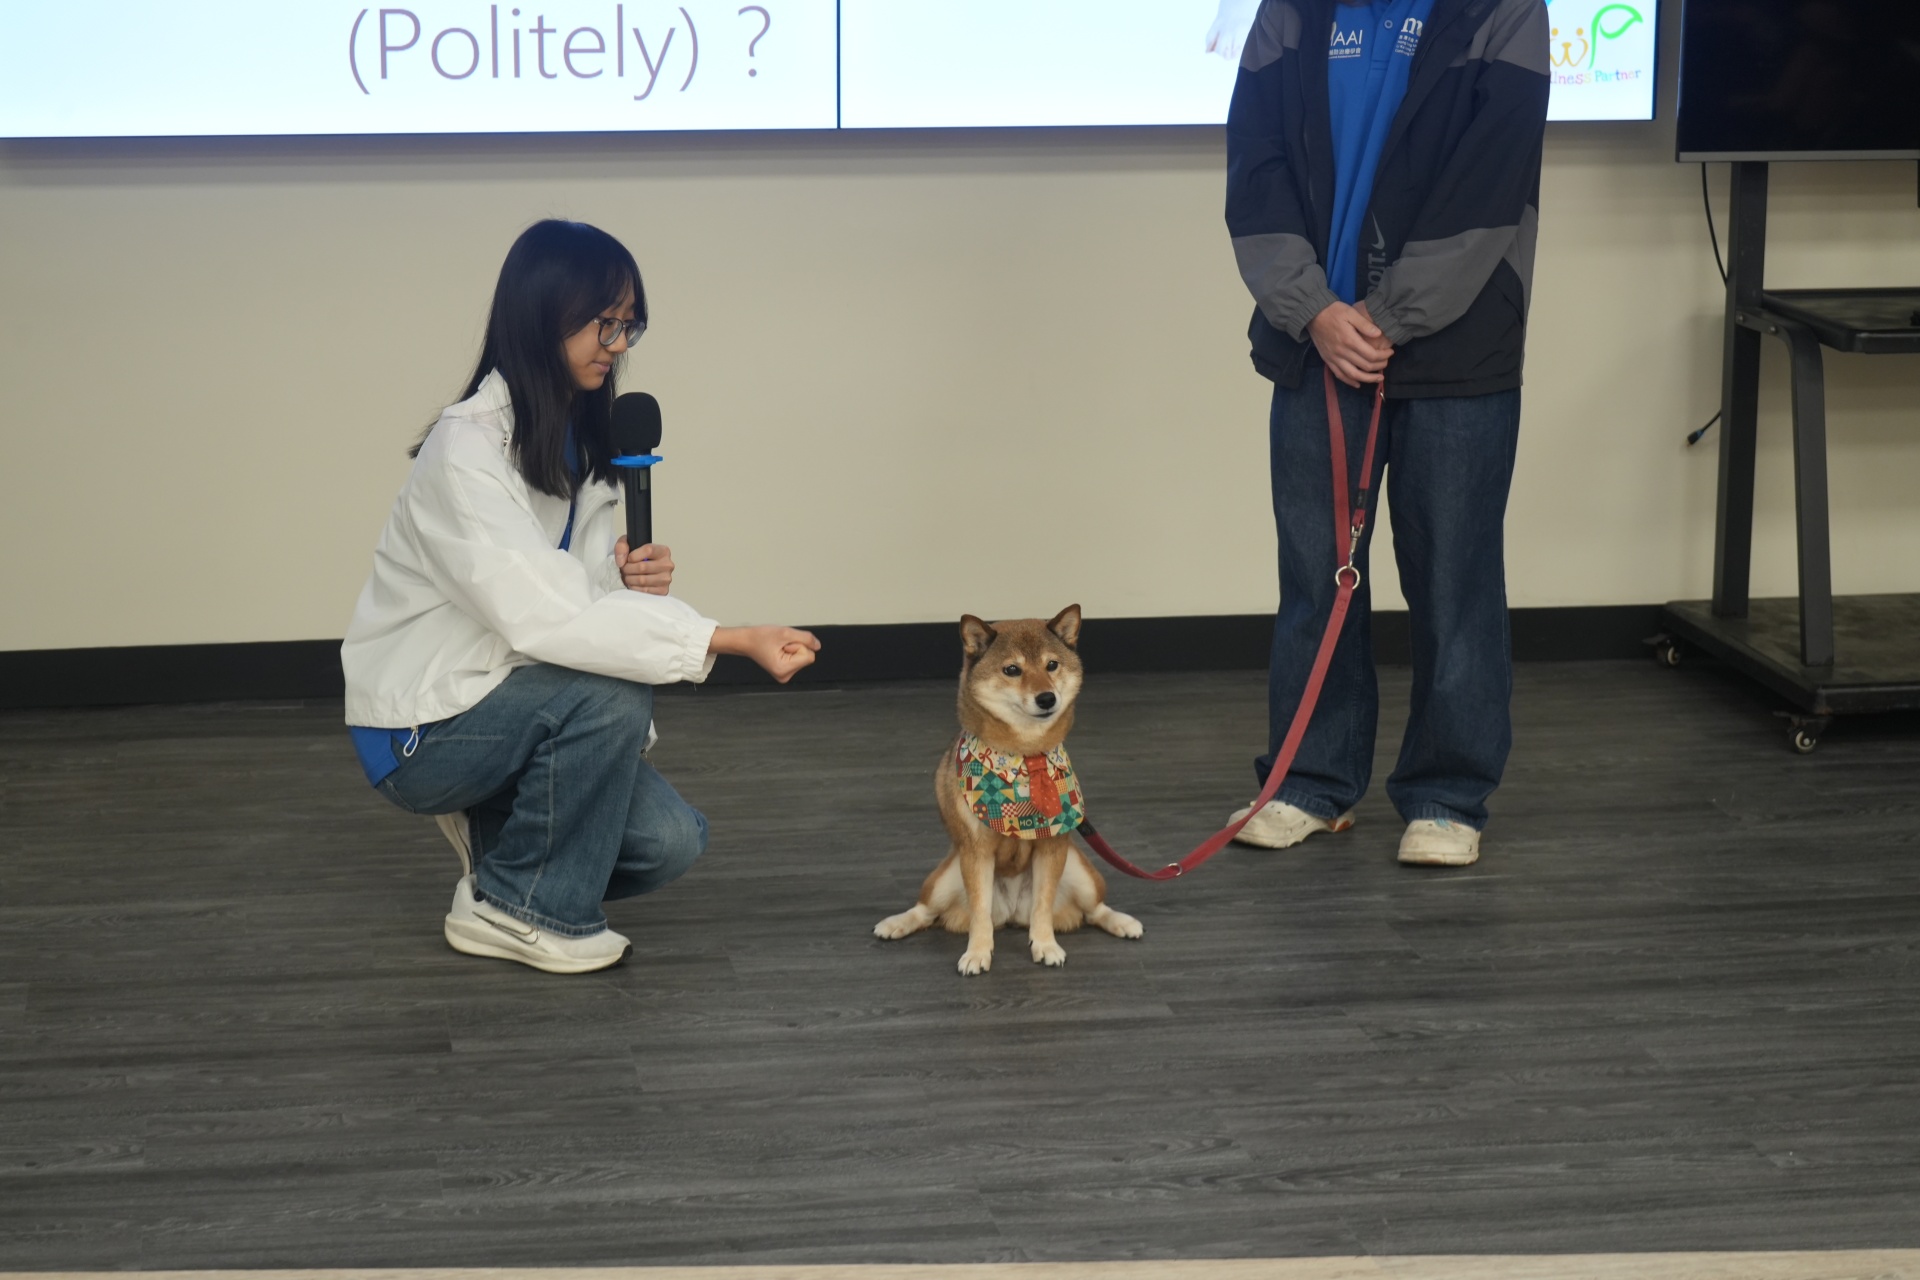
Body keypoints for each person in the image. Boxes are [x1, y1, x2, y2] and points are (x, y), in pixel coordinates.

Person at [342, 219, 820, 973]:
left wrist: (622, 585)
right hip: (425, 725)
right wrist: (726, 638)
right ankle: (523, 911)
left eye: (630, 325)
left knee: (671, 842)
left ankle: (504, 866)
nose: (619, 344)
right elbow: (545, 618)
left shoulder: (580, 438)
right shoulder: (465, 450)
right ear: (543, 316)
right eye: (606, 323)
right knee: (610, 695)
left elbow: (573, 598)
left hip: (514, 697)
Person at [1222, 0, 1549, 867]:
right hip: (1318, 343)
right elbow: (1255, 165)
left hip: (1458, 347)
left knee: (1454, 577)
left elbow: (1489, 183)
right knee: (1315, 575)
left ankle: (1448, 796)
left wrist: (1387, 316)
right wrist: (1314, 311)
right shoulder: (1292, 10)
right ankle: (1309, 783)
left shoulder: (1504, 9)